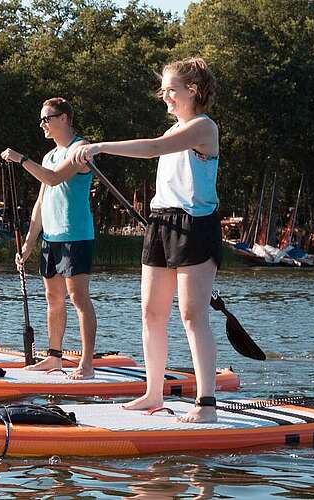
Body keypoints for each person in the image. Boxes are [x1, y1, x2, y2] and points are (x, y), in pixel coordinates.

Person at [69, 56, 222, 423]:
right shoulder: (174, 131)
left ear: (194, 91)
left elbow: (152, 148)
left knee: (191, 314)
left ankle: (207, 404)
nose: (165, 96)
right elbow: (158, 147)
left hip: (195, 225)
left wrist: (100, 147)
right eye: (163, 90)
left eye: (172, 90)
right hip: (161, 223)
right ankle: (153, 392)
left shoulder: (203, 128)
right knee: (152, 313)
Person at [0, 97, 98, 379]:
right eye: (41, 119)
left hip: (75, 235)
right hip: (51, 237)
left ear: (64, 118)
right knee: (53, 298)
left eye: (47, 118)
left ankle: (86, 363)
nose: (42, 124)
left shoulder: (81, 149)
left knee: (79, 298)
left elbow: (55, 179)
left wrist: (21, 159)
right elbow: (42, 201)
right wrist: (30, 241)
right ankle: (54, 357)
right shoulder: (48, 156)